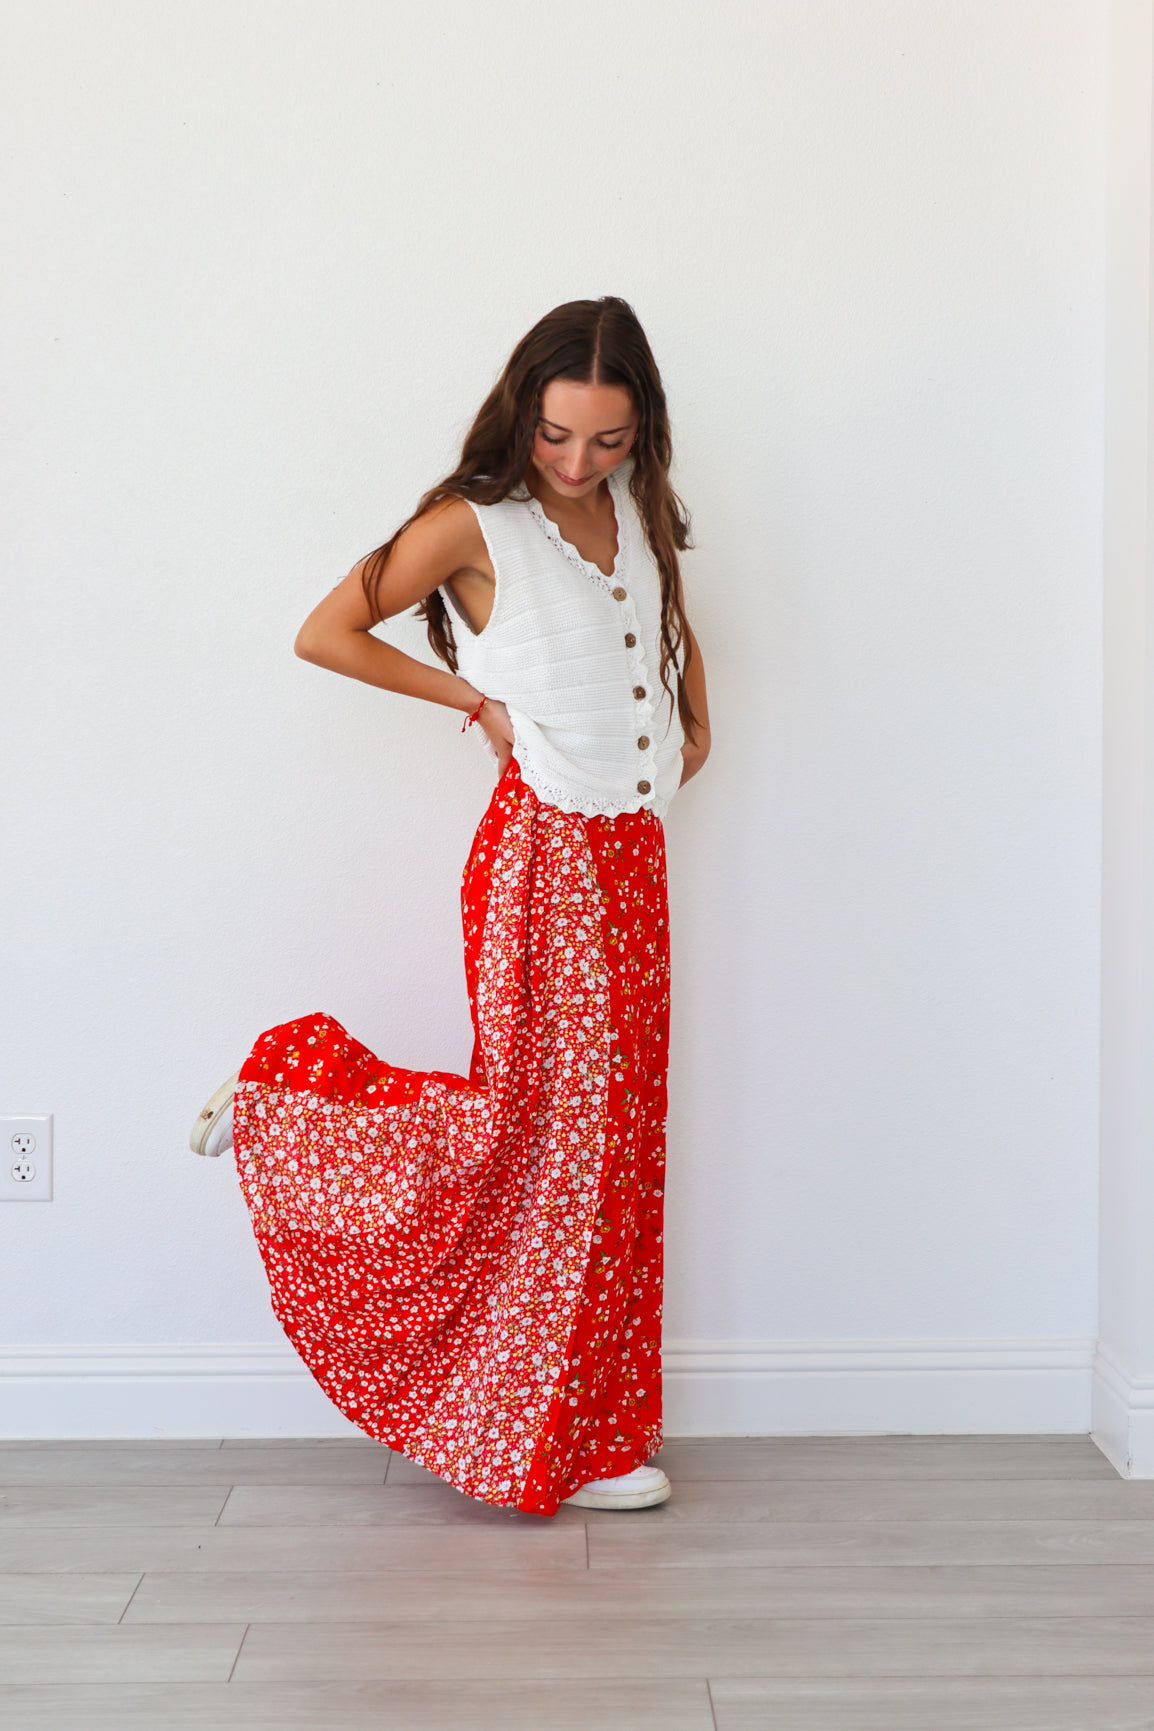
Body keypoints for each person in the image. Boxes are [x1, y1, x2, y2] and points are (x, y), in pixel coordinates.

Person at [190, 296, 711, 1516]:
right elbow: (325, 632)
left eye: (607, 439)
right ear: (519, 414)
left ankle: (587, 1432)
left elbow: (663, 627)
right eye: (555, 434)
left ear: (641, 432)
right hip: (544, 857)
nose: (577, 461)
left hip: (632, 856)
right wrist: (472, 704)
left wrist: (693, 729)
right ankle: (281, 1096)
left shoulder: (633, 511)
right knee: (534, 1141)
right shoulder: (472, 525)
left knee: (615, 1150)